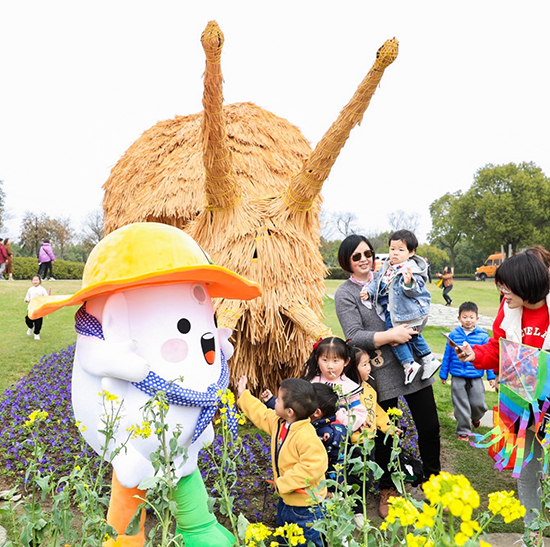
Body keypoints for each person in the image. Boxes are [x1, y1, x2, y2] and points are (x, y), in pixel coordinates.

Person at [334, 234, 441, 519]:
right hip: (380, 371)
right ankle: (388, 488)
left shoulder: (390, 272)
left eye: (367, 253)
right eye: (356, 257)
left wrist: (409, 327)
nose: (364, 260)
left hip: (413, 366)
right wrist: (389, 335)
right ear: (346, 262)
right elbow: (353, 336)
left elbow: (419, 304)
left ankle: (433, 483)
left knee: (429, 426)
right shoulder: (346, 293)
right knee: (386, 436)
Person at [457, 253, 550, 546]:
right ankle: (532, 533)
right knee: (528, 468)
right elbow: (498, 350)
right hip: (522, 405)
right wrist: (476, 355)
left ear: (526, 284)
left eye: (506, 286)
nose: (502, 292)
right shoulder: (508, 310)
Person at [237, 376, 327, 547]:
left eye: (278, 400)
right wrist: (243, 395)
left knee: (305, 542)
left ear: (290, 411)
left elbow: (312, 467)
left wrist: (283, 483)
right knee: (285, 539)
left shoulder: (306, 436)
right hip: (286, 499)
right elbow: (261, 414)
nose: (274, 402)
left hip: (306, 507)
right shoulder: (280, 423)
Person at [362, 229, 440, 385]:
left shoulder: (411, 269)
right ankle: (428, 358)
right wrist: (368, 291)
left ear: (411, 252)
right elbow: (378, 282)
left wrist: (408, 283)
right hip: (394, 310)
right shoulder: (388, 266)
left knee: (394, 336)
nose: (395, 253)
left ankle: (408, 364)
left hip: (403, 310)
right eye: (392, 249)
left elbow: (417, 289)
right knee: (412, 335)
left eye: (400, 250)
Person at [439, 301, 495, 440]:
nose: (468, 320)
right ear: (459, 318)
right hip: (457, 375)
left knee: (478, 404)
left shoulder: (483, 336)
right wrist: (443, 373)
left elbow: (488, 356)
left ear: (477, 319)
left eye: (471, 317)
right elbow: (447, 355)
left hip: (476, 375)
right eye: (465, 317)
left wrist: (491, 376)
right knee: (461, 404)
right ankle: (463, 431)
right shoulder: (453, 335)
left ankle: (476, 417)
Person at [302, 336, 368, 432]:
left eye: (335, 361)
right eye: (325, 360)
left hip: (337, 435)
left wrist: (345, 419)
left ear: (346, 361)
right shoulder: (311, 382)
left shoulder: (349, 387)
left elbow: (358, 412)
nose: (330, 366)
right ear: (317, 359)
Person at [24, 274, 49, 340]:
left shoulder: (42, 289)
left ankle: (36, 333)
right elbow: (27, 297)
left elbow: (46, 298)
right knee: (28, 319)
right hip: (31, 307)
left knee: (38, 322)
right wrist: (27, 300)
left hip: (39, 308)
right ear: (32, 281)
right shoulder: (30, 289)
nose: (35, 281)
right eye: (34, 280)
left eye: (36, 280)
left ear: (39, 281)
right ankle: (30, 327)